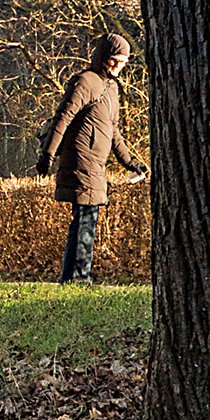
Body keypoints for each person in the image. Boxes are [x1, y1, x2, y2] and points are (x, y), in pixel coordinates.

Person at [42, 32, 143, 284]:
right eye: (115, 60)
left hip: (96, 165)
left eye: (124, 62)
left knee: (87, 219)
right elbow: (62, 117)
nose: (119, 66)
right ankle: (78, 280)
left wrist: (130, 162)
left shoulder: (112, 88)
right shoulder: (85, 82)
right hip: (80, 160)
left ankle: (75, 278)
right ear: (104, 57)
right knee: (85, 218)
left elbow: (114, 132)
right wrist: (48, 154)